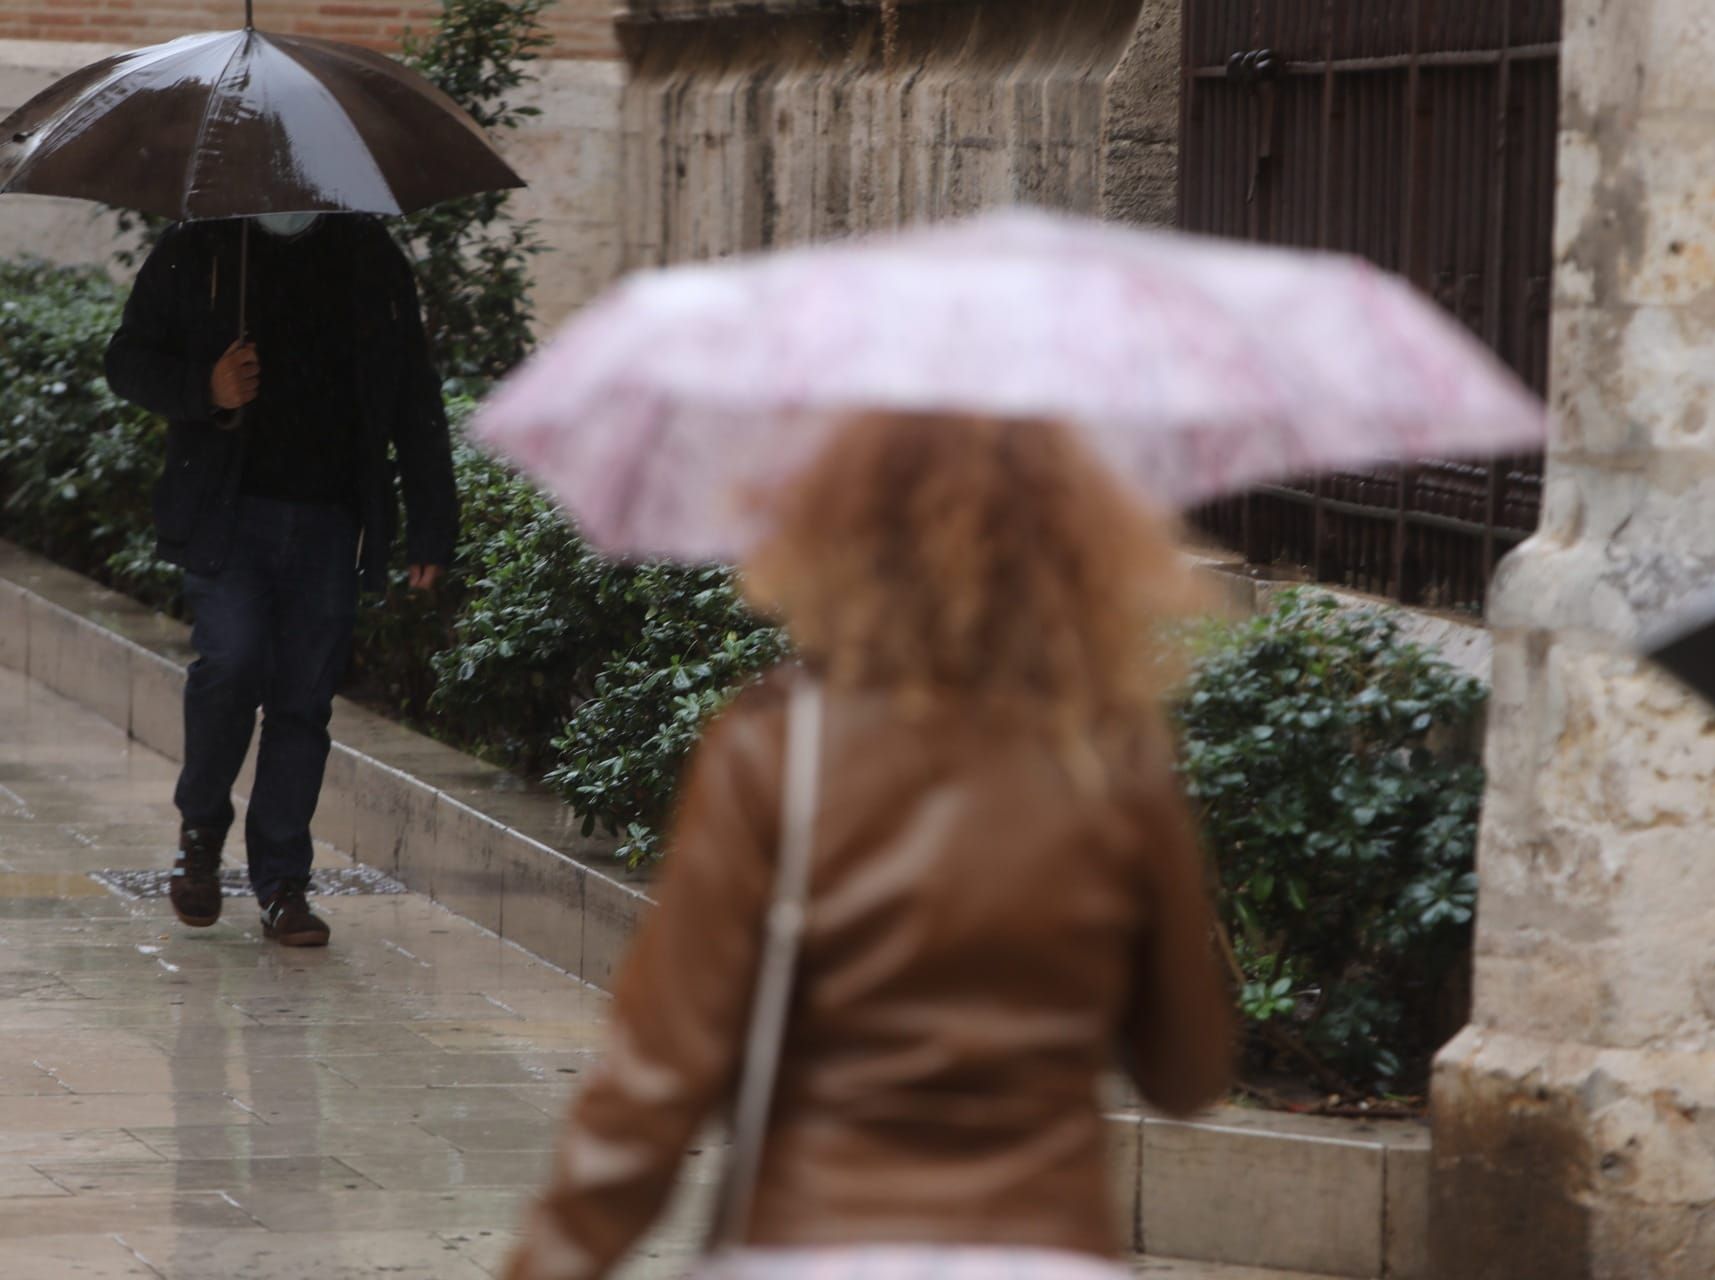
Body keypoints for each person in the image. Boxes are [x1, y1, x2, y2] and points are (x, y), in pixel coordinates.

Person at [506, 412, 1235, 1280]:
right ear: (1074, 534)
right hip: (1045, 1246)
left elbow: (655, 1085)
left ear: (842, 524)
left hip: (812, 1244)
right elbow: (1187, 1073)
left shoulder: (779, 747)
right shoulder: (1116, 757)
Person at [105, 211, 457, 948]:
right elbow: (128, 360)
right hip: (229, 517)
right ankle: (201, 834)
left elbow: (413, 394)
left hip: (330, 520)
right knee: (230, 665)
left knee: (303, 702)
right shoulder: (203, 245)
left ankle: (283, 885)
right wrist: (205, 387)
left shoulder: (368, 254)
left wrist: (431, 523)